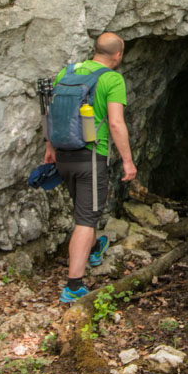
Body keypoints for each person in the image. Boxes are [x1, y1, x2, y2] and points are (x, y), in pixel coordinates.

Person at [45, 32, 137, 302]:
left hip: (63, 155)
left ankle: (95, 247)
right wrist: (128, 161)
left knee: (86, 209)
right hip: (90, 158)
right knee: (86, 219)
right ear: (117, 55)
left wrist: (49, 148)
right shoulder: (112, 79)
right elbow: (116, 123)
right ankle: (73, 286)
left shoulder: (68, 72)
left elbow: (53, 114)